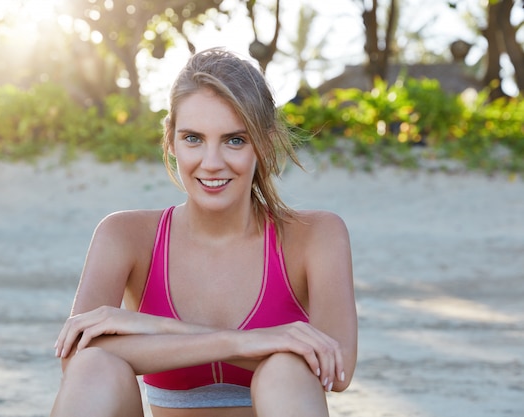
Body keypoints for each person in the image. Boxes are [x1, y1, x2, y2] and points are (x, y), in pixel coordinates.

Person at [50, 47, 357, 417]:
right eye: (193, 138)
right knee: (94, 366)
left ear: (264, 142)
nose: (211, 163)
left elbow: (337, 368)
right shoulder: (124, 235)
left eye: (235, 140)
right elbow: (76, 357)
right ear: (171, 140)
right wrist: (239, 343)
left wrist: (143, 328)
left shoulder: (316, 235)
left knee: (285, 369)